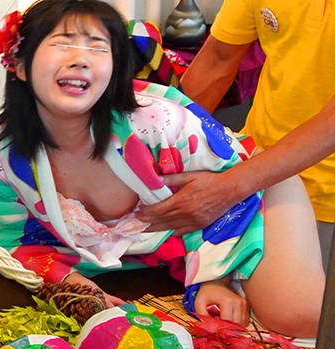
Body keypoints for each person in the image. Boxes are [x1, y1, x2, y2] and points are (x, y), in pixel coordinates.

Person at [0, 0, 323, 338]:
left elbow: (227, 184)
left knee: (297, 317)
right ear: (19, 65)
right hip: (160, 250)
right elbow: (7, 240)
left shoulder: (160, 124)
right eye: (63, 43)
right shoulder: (3, 156)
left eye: (98, 47)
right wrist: (76, 286)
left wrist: (213, 279)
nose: (80, 59)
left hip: (249, 192)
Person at [138, 0, 335, 270]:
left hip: (320, 200)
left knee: (298, 298)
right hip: (253, 173)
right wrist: (149, 156)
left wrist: (226, 189)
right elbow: (218, 58)